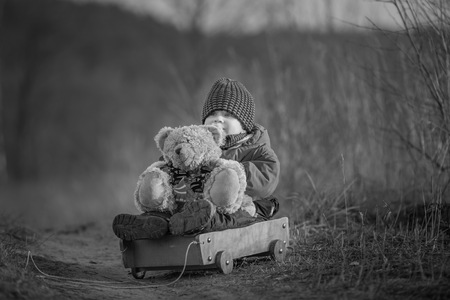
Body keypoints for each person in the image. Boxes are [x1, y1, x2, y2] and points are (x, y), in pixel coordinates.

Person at [112, 78, 280, 240]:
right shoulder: (197, 146)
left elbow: (266, 176)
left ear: (244, 125)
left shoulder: (257, 149)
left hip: (235, 208)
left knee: (231, 214)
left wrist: (227, 176)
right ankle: (154, 223)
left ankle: (204, 221)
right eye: (213, 113)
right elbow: (174, 162)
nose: (218, 118)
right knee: (168, 207)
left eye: (228, 114)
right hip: (188, 205)